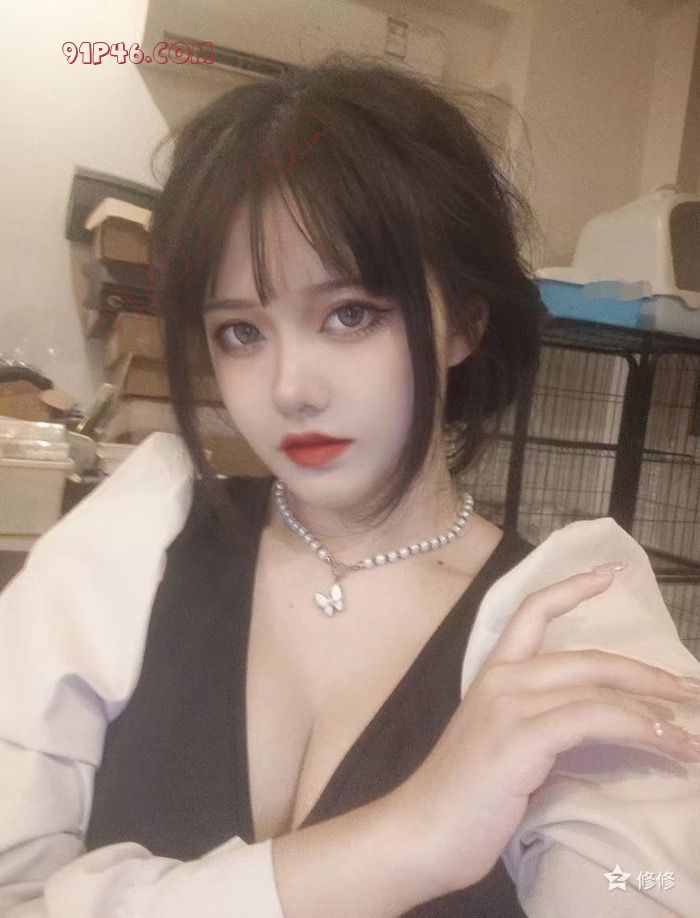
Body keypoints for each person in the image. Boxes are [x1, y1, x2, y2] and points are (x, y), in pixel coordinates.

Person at [1, 53, 700, 918]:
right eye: (241, 333)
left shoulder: (572, 622)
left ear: (464, 320)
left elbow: (650, 887)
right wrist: (406, 840)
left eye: (350, 314)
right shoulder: (127, 547)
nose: (291, 387)